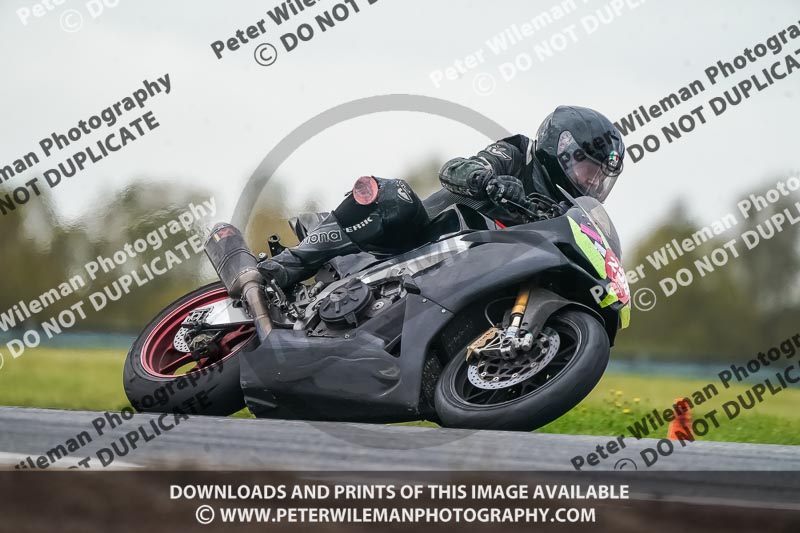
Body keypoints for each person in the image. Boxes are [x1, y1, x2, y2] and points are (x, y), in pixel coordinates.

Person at [258, 105, 625, 289]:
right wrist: (490, 183)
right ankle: (288, 265)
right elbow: (455, 169)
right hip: (419, 240)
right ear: (560, 148)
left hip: (469, 277)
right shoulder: (517, 153)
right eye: (587, 170)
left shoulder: (564, 215)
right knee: (396, 196)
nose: (590, 183)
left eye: (599, 179)